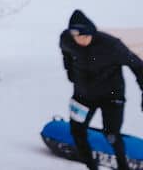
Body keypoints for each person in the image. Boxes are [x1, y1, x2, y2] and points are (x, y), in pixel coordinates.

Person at [60, 9, 143, 170]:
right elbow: (66, 54)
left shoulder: (112, 45)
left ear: (92, 32)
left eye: (85, 36)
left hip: (111, 96)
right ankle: (91, 166)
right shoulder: (66, 40)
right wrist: (70, 72)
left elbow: (138, 66)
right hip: (83, 95)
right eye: (77, 37)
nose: (81, 40)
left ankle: (122, 166)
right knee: (77, 131)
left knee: (111, 134)